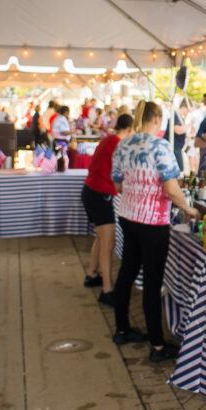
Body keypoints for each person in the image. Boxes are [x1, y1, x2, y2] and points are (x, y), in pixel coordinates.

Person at [111, 100, 199, 362]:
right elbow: (172, 189)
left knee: (127, 272)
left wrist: (136, 191)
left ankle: (122, 329)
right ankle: (157, 345)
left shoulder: (124, 143)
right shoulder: (160, 146)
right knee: (151, 282)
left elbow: (117, 185)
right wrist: (189, 209)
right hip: (152, 223)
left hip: (128, 216)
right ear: (158, 119)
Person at [81, 114, 134, 304]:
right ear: (129, 129)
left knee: (101, 237)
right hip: (99, 195)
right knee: (108, 243)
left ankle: (92, 274)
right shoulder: (117, 144)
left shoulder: (109, 140)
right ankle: (107, 290)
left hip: (91, 192)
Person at [163, 102, 187, 172]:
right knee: (179, 169)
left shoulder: (178, 115)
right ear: (184, 108)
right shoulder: (176, 115)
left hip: (176, 145)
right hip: (174, 145)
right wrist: (188, 126)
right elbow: (177, 130)